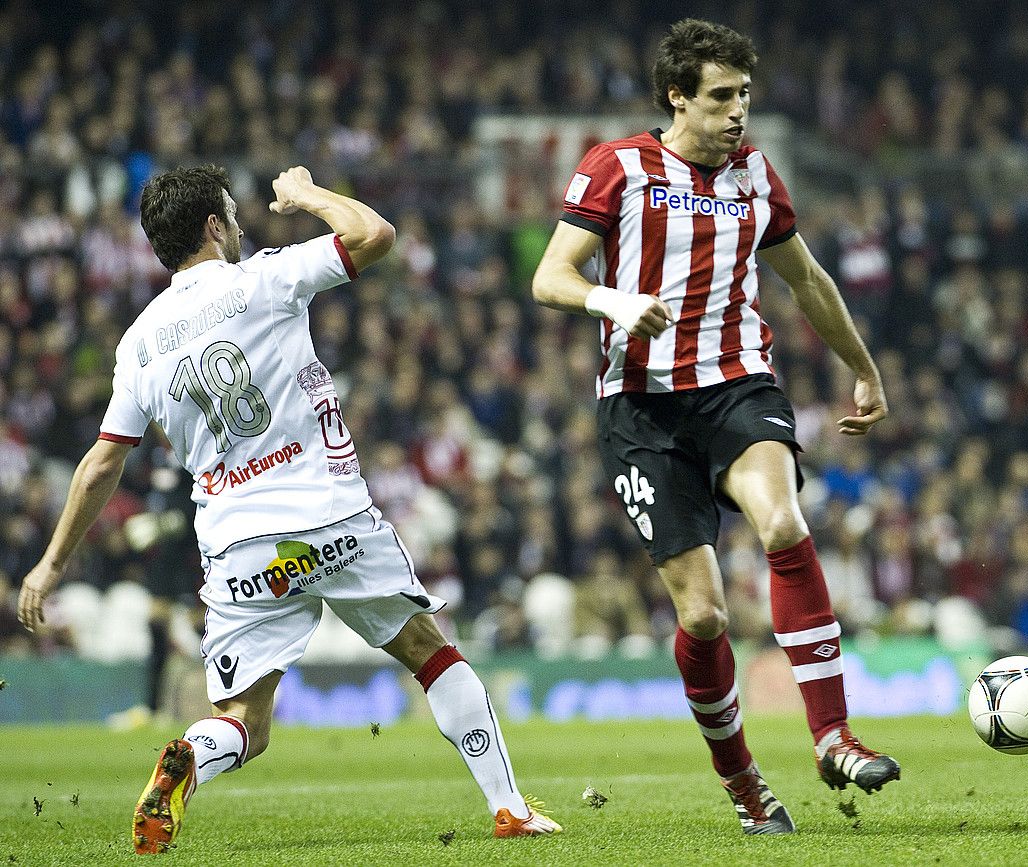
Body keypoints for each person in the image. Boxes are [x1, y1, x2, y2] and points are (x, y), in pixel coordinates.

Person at [17, 164, 560, 854]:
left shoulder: (136, 345)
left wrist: (50, 562)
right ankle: (508, 806)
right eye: (234, 216)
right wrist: (304, 195)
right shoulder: (263, 278)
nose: (243, 226)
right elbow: (374, 233)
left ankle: (187, 752)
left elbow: (101, 463)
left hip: (240, 545)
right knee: (429, 651)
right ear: (215, 226)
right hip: (331, 518)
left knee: (244, 719)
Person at [531, 18, 900, 835]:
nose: (739, 113)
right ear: (679, 97)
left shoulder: (757, 175)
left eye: (745, 96)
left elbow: (806, 280)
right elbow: (549, 276)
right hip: (641, 408)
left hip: (737, 386)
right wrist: (612, 299)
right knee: (701, 616)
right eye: (722, 97)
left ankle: (832, 734)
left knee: (782, 520)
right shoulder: (618, 166)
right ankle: (743, 784)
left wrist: (864, 366)